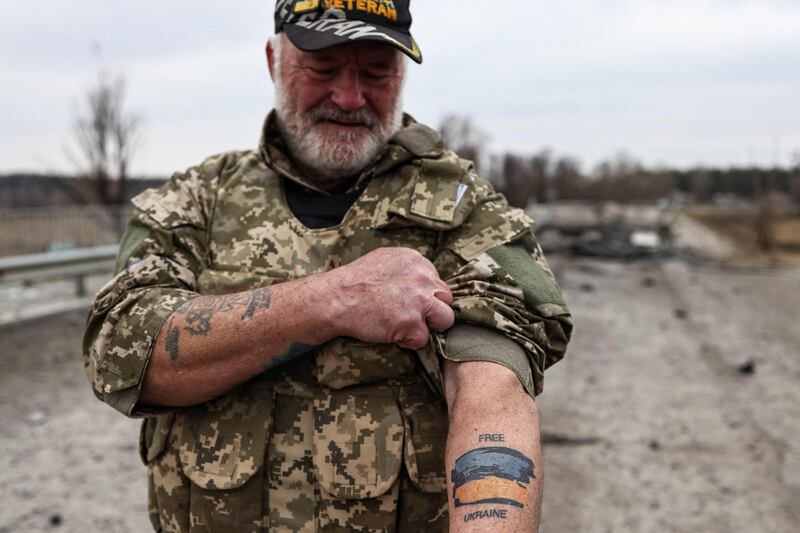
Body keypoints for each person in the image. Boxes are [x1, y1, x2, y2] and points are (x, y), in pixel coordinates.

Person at [82, 1, 573, 531]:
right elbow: (124, 352)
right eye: (323, 68)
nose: (349, 96)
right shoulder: (198, 201)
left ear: (401, 74)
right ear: (274, 61)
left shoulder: (461, 208)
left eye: (376, 72)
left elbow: (492, 387)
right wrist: (336, 299)